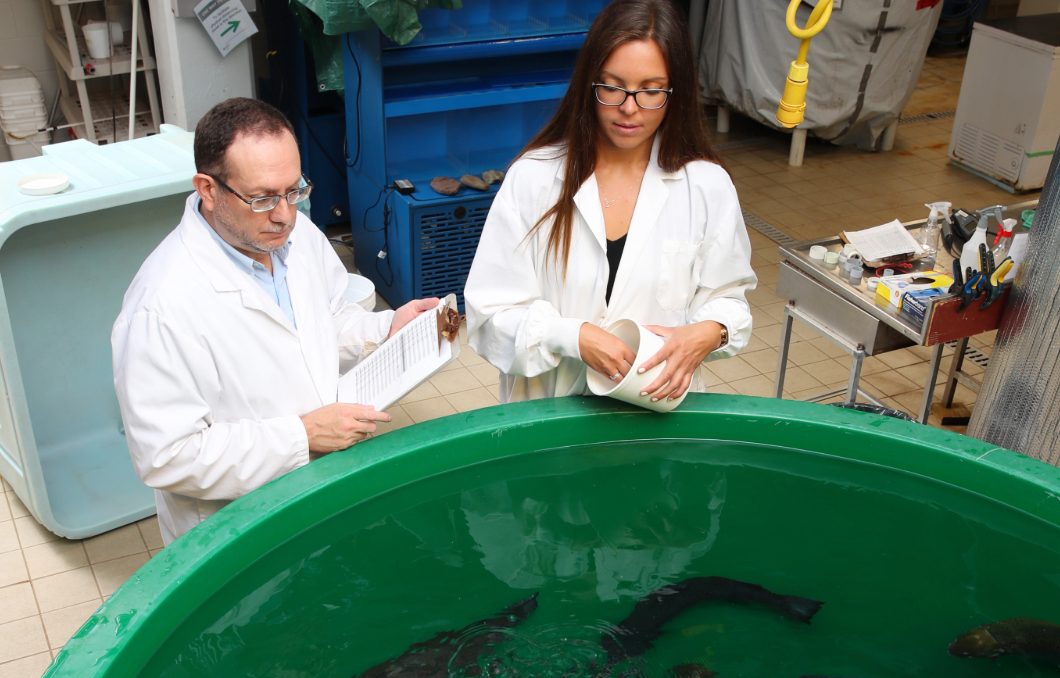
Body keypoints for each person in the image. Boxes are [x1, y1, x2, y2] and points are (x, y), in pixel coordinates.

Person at [112, 98, 438, 544]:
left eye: (295, 190)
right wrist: (301, 435)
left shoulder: (295, 236)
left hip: (323, 494)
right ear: (207, 189)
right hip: (240, 528)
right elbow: (166, 456)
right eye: (262, 198)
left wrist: (385, 329)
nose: (285, 214)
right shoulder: (162, 306)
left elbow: (327, 322)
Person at [463, 0, 756, 403]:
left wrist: (711, 331)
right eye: (613, 87)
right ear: (589, 83)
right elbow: (488, 316)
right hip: (551, 421)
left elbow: (728, 298)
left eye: (651, 91)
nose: (629, 108)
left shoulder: (706, 186)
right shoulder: (534, 178)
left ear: (677, 92)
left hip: (654, 412)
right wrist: (573, 336)